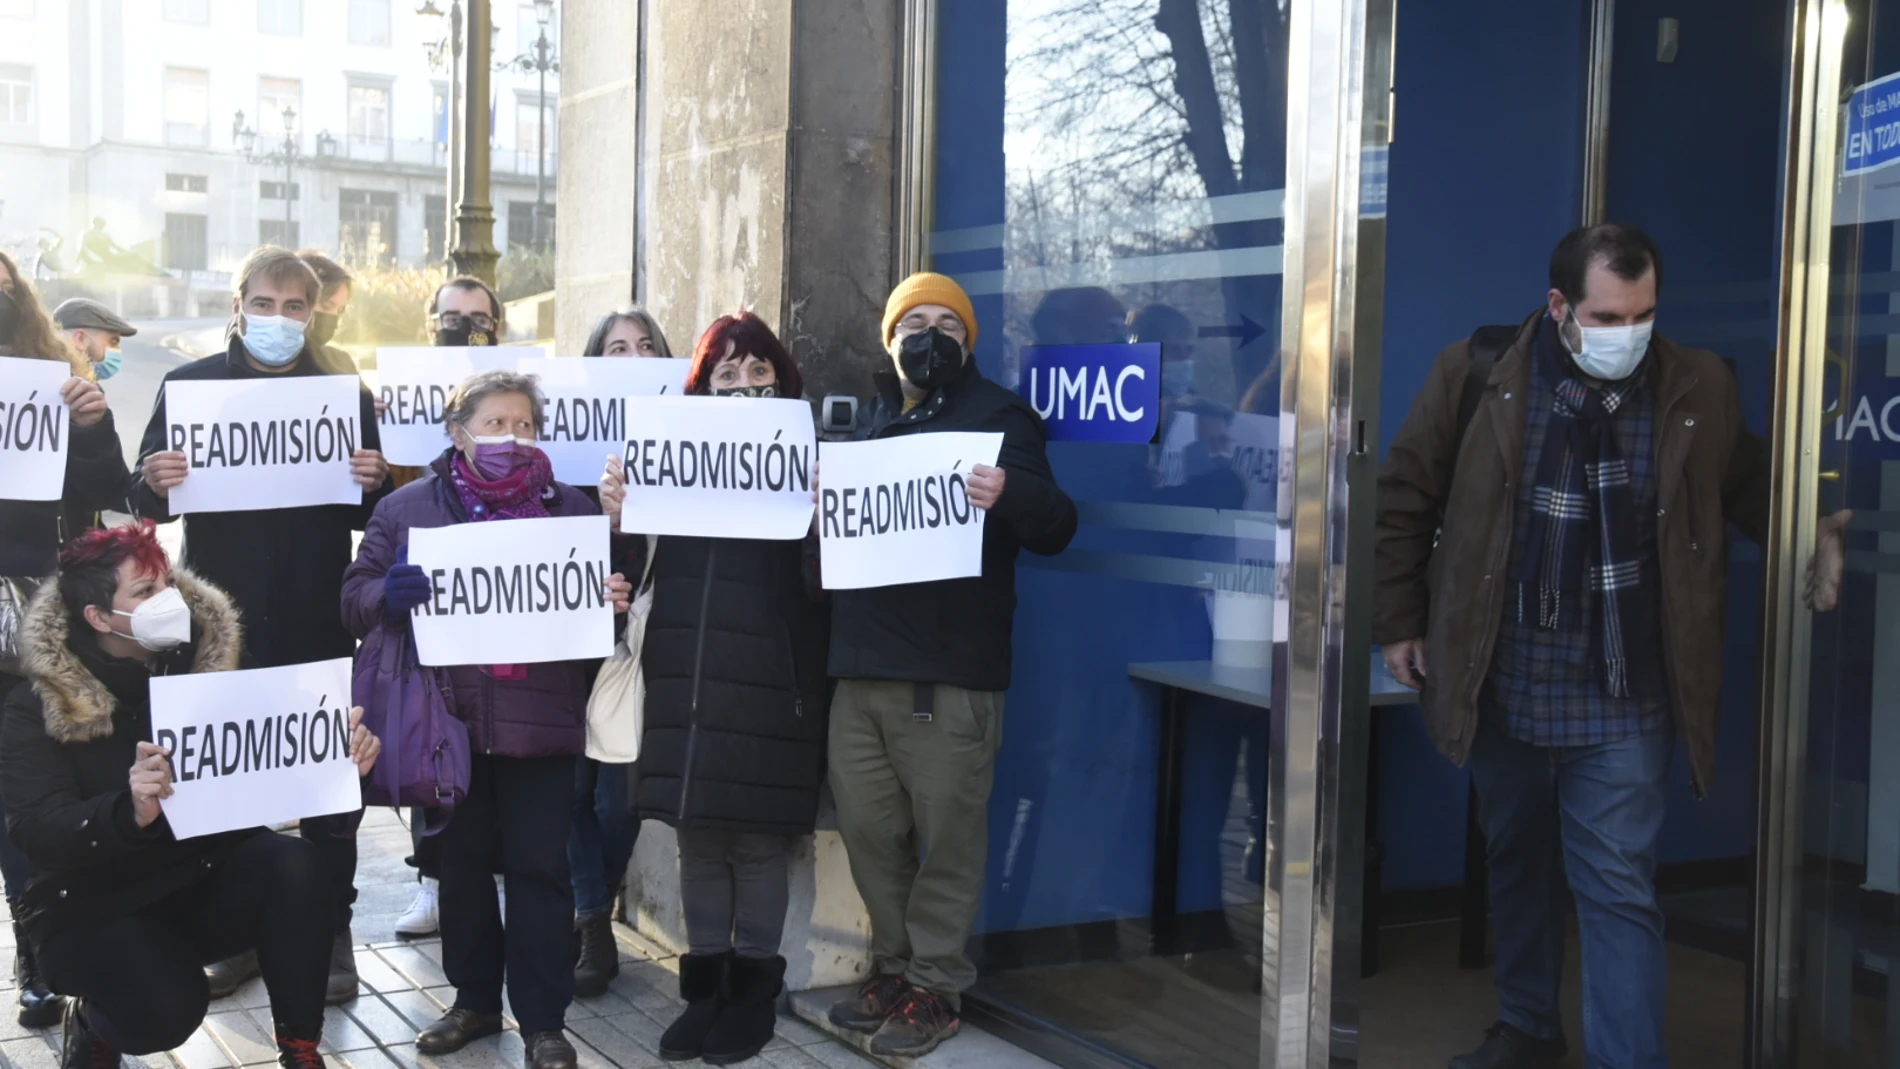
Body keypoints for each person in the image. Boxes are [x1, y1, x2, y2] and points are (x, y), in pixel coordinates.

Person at [1374, 224, 1850, 1069]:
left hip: (1628, 687)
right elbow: (1407, 495)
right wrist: (1400, 620)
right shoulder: (1480, 374)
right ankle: (1528, 1027)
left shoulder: (1695, 383)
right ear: (1561, 306)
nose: (1628, 332)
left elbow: (1747, 485)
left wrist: (1811, 530)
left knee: (1618, 886)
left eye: (1644, 313)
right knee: (1515, 859)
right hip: (1503, 671)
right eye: (1607, 314)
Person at [0, 520, 381, 1069]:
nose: (168, 600)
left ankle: (301, 1049)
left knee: (297, 865)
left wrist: (343, 765)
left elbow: (279, 770)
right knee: (169, 1008)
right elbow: (36, 830)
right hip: (93, 904)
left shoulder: (213, 664)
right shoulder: (37, 703)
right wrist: (126, 812)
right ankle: (92, 1023)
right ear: (100, 617)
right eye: (146, 592)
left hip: (199, 873)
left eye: (167, 584)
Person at [341, 369, 633, 1069]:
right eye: (496, 423)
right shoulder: (408, 508)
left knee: (540, 870)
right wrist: (390, 593)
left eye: (525, 425)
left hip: (542, 722)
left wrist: (610, 590)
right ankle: (473, 1001)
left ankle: (544, 1021)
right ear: (458, 430)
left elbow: (604, 605)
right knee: (461, 866)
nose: (511, 437)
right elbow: (351, 599)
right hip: (447, 724)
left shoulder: (571, 509)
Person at [129, 246, 392, 1007]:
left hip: (314, 621)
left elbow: (366, 516)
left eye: (296, 305)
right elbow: (146, 502)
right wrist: (152, 479)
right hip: (222, 629)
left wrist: (374, 482)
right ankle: (237, 933)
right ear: (239, 303)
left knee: (329, 782)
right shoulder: (189, 386)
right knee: (230, 783)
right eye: (266, 302)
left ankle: (330, 935)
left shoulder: (342, 392)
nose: (280, 318)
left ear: (316, 313)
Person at [823, 273, 1077, 1057]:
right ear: (890, 337)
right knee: (871, 837)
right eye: (915, 321)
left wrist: (1008, 493)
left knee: (949, 844)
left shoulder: (1000, 418)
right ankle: (896, 970)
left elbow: (1057, 523)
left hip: (949, 679)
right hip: (860, 672)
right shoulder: (863, 422)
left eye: (947, 323)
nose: (930, 335)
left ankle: (936, 984)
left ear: (967, 339)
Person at [595, 312, 827, 1065]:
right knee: (698, 841)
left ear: (783, 382)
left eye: (758, 372)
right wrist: (619, 515)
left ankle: (752, 996)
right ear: (699, 390)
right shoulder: (664, 465)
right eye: (726, 374)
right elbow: (627, 572)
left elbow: (828, 590)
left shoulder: (812, 463)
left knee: (757, 843)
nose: (744, 386)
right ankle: (703, 994)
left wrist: (826, 519)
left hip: (771, 683)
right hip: (686, 680)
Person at [0, 252, 128, 1030]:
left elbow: (106, 492)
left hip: (35, 619)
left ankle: (37, 953)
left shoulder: (52, 373)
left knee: (33, 785)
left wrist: (90, 424)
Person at [389, 275, 514, 938]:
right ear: (430, 320)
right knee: (429, 736)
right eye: (451, 314)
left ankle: (479, 875)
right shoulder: (399, 398)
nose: (464, 325)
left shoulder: (513, 399)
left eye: (478, 316)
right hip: (432, 611)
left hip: (508, 605)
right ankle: (431, 879)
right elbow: (380, 517)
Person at [564, 307, 675, 997]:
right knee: (569, 788)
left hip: (641, 647)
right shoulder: (565, 449)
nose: (631, 356)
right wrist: (599, 520)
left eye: (646, 346)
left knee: (618, 798)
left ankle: (593, 893)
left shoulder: (684, 444)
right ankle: (590, 920)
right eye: (616, 348)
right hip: (570, 644)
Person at [51, 299, 137, 384]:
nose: (118, 349)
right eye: (113, 341)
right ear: (81, 339)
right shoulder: (74, 393)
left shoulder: (47, 379)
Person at [297, 251, 355, 376]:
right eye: (327, 305)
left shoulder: (341, 363)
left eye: (340, 310)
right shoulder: (251, 365)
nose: (333, 318)